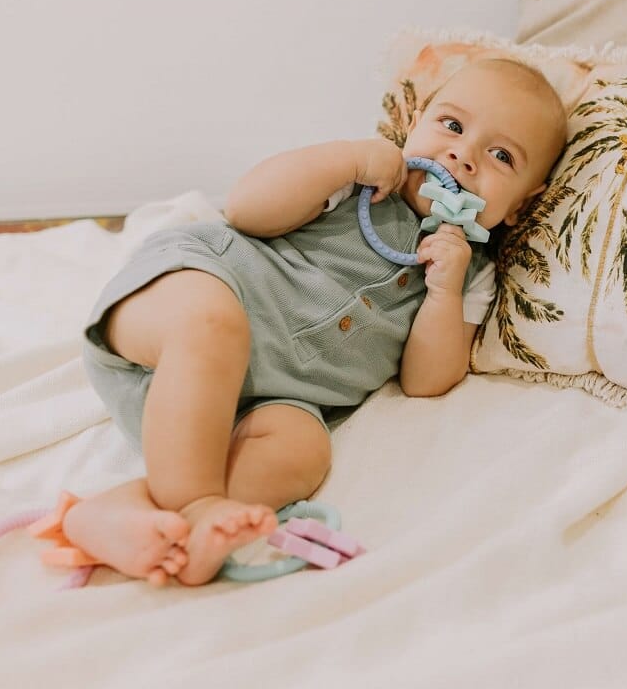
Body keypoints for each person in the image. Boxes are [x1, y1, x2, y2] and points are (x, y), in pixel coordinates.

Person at [62, 58, 568, 586]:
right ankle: (196, 505)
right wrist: (346, 159)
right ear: (414, 121)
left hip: (254, 401)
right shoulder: (362, 181)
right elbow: (247, 210)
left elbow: (426, 381)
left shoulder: (472, 274)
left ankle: (131, 513)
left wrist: (443, 291)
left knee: (302, 450)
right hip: (190, 300)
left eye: (501, 156)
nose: (461, 156)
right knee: (212, 325)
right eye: (453, 126)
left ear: (519, 205)